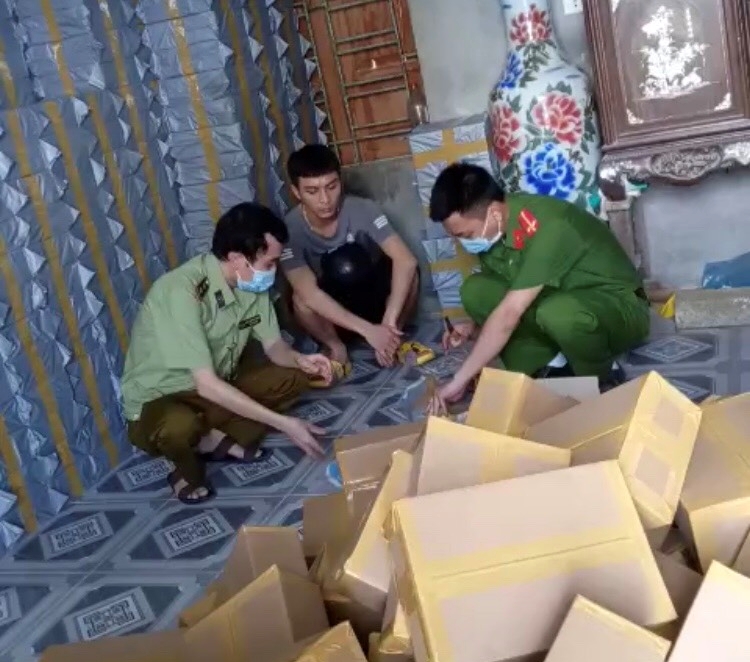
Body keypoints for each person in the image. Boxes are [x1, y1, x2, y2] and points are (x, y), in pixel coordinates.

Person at [121, 202, 333, 505]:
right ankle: (187, 468)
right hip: (161, 401)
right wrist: (284, 424)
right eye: (269, 263)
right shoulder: (180, 291)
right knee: (179, 427)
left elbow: (274, 347)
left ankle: (211, 439)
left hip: (213, 391)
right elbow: (206, 384)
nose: (274, 270)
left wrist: (301, 360)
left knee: (294, 378)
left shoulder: (250, 284)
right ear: (237, 259)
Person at [428, 163, 650, 407]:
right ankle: (547, 368)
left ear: (494, 213)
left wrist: (458, 380)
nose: (461, 244)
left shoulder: (551, 225)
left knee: (558, 313)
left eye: (466, 236)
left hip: (619, 309)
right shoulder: (495, 230)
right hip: (557, 301)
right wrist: (473, 327)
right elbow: (510, 295)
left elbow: (509, 313)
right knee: (476, 291)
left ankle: (601, 375)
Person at [281, 143, 420, 367]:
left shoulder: (362, 208)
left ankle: (393, 336)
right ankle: (336, 346)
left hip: (373, 296)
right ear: (296, 192)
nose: (325, 199)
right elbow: (309, 294)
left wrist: (388, 324)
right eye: (312, 192)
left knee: (410, 273)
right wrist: (368, 331)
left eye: (332, 186)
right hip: (334, 311)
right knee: (300, 300)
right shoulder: (289, 229)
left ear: (341, 182)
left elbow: (406, 260)